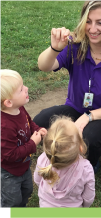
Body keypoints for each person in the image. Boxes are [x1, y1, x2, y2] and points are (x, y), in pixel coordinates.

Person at [33, 0, 101, 172]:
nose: (92, 29)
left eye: (100, 23)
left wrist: (88, 117)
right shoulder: (75, 45)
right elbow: (44, 66)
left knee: (88, 138)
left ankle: (89, 165)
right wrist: (54, 49)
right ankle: (58, 157)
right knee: (41, 121)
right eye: (88, 21)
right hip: (75, 107)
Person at [0, 69, 47, 208]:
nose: (26, 89)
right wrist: (33, 144)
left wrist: (36, 129)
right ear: (8, 102)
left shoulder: (19, 108)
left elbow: (29, 122)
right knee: (11, 200)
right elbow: (9, 155)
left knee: (27, 190)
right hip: (8, 171)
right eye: (21, 89)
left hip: (23, 164)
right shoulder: (4, 127)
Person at [34, 116, 95, 207]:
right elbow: (88, 198)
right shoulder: (85, 168)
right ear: (81, 148)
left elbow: (37, 180)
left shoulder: (43, 159)